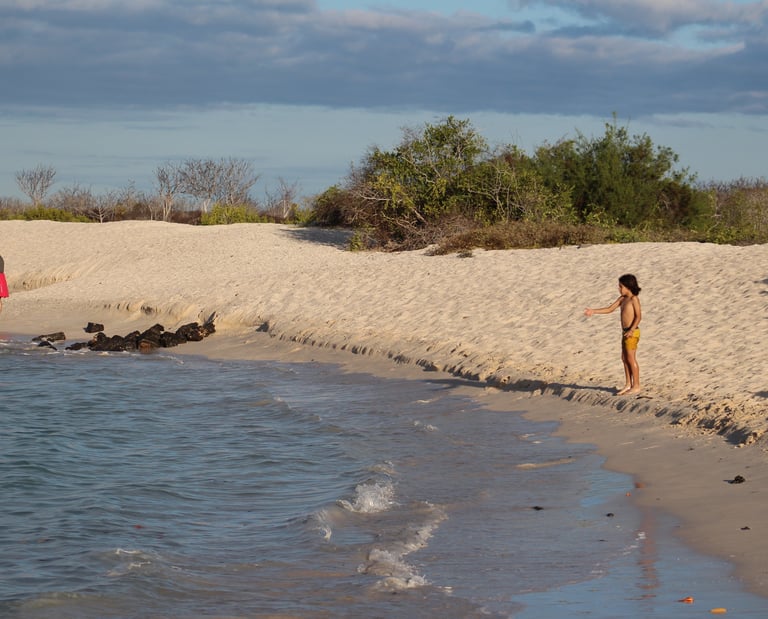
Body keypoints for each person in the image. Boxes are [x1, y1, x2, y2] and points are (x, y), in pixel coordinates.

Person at [584, 273, 642, 395]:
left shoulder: (633, 299)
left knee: (631, 358)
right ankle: (628, 384)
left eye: (621, 286)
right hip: (625, 332)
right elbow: (610, 309)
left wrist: (631, 330)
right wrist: (594, 311)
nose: (619, 289)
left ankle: (636, 385)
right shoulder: (622, 299)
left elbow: (638, 317)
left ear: (628, 286)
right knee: (624, 358)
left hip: (632, 332)